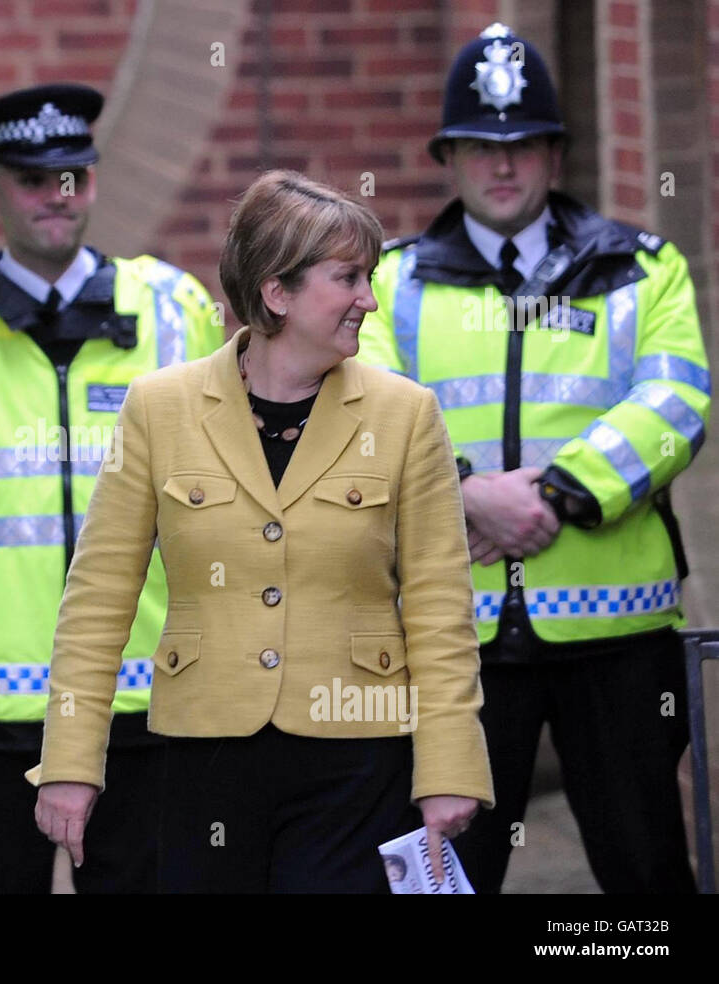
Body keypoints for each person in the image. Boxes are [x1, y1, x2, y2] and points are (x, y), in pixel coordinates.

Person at [32, 169, 494, 893]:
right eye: (348, 278)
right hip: (203, 756)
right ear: (277, 292)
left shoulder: (406, 415)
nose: (368, 300)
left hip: (358, 757)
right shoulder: (159, 408)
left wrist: (450, 767)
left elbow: (441, 608)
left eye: (369, 278)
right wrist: (69, 761)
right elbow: (96, 601)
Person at [359, 24, 709, 893]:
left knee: (646, 881)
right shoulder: (396, 282)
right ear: (449, 156)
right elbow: (363, 411)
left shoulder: (639, 267)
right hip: (452, 636)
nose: (502, 167)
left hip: (616, 635)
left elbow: (678, 403)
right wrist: (469, 496)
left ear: (555, 152)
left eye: (522, 146)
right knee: (443, 878)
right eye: (481, 146)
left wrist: (555, 492)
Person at [0, 83, 223, 893]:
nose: (55, 199)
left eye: (74, 178)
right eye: (31, 180)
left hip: (145, 696)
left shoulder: (179, 313)